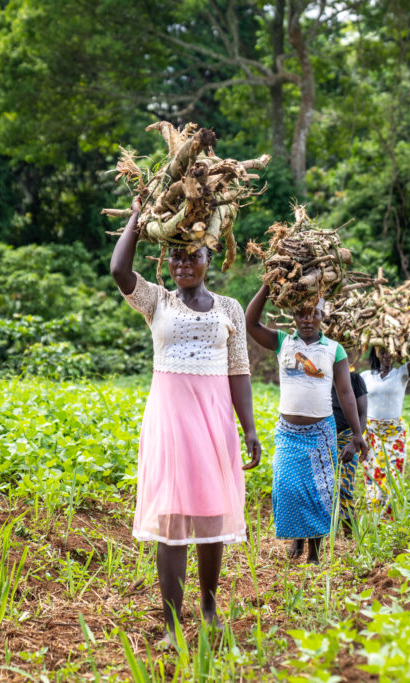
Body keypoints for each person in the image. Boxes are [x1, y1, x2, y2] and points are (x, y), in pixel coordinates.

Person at [110, 197, 261, 641]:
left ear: (208, 258)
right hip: (172, 418)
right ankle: (173, 622)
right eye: (176, 255)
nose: (184, 264)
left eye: (193, 255)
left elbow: (239, 371)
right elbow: (120, 270)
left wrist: (249, 427)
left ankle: (210, 607)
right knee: (174, 519)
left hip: (213, 417)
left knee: (211, 511)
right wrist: (138, 217)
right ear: (167, 260)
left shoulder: (229, 308)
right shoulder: (156, 301)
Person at [245, 284, 368, 563]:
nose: (307, 320)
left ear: (323, 315)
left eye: (314, 313)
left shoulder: (334, 350)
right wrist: (266, 285)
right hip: (288, 433)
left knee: (318, 491)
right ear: (293, 315)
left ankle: (313, 552)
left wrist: (357, 434)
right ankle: (296, 541)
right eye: (301, 313)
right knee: (288, 488)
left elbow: (346, 393)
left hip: (320, 433)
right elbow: (250, 323)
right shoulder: (282, 342)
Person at [359, 325, 410, 517]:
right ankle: (375, 518)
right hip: (371, 433)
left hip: (394, 435)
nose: (387, 355)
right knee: (372, 476)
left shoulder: (403, 373)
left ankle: (390, 520)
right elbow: (360, 407)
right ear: (376, 353)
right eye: (382, 351)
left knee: (393, 477)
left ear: (396, 353)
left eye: (390, 351)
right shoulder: (366, 377)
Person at [331, 356, 368, 535]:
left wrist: (355, 440)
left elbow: (362, 414)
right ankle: (325, 535)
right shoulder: (319, 378)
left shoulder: (355, 380)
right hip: (322, 437)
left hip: (347, 438)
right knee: (322, 488)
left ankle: (350, 537)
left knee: (345, 488)